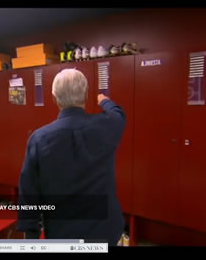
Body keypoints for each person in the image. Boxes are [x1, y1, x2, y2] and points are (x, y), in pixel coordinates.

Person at [17, 68, 126, 245]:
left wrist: (31, 236)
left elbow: (29, 193)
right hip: (105, 232)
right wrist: (105, 101)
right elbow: (118, 115)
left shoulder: (39, 139)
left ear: (54, 98)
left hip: (63, 234)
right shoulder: (107, 126)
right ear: (85, 94)